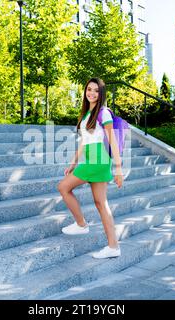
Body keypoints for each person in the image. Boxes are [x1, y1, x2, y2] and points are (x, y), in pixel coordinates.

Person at [57, 77, 124, 259]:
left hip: (98, 161)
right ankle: (113, 247)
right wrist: (73, 162)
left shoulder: (104, 113)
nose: (92, 93)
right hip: (91, 159)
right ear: (85, 91)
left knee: (63, 187)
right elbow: (85, 141)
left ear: (101, 94)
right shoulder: (88, 114)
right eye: (89, 89)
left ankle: (81, 224)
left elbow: (113, 142)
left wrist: (118, 169)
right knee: (101, 204)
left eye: (96, 91)